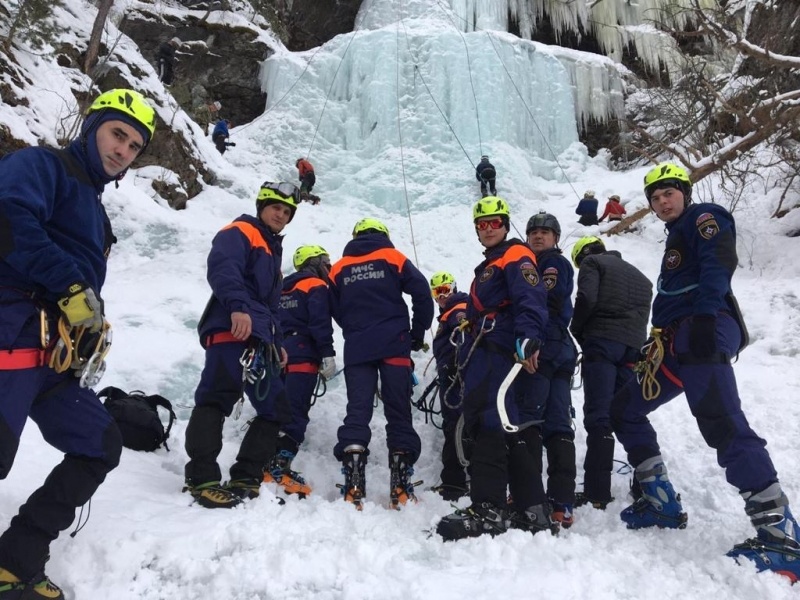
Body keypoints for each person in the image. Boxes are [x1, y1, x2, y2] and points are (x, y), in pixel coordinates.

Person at [0, 88, 156, 598]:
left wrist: (89, 317)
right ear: (92, 128)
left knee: (100, 442)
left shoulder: (96, 211)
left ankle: (15, 561)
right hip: (12, 326)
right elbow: (8, 219)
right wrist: (70, 286)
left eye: (134, 146)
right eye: (117, 134)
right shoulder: (43, 165)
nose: (123, 151)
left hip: (53, 355)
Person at [610, 162, 800, 579]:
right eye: (655, 198)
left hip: (705, 328)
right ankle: (661, 501)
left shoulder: (703, 217)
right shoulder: (676, 235)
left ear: (684, 192)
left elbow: (719, 261)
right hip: (678, 340)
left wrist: (705, 318)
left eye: (668, 194)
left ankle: (781, 537)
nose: (662, 202)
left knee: (721, 421)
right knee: (623, 408)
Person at [437, 197, 555, 541]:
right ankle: (532, 507)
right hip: (486, 350)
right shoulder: (493, 262)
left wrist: (530, 337)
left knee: (488, 422)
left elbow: (531, 296)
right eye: (482, 224)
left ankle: (488, 508)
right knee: (507, 427)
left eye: (494, 222)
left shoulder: (514, 256)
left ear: (505, 224)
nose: (488, 228)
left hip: (498, 351)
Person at [183, 181, 299, 509]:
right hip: (232, 330)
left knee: (276, 409)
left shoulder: (270, 247)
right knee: (216, 399)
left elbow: (270, 305)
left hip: (258, 339)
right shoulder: (241, 231)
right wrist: (237, 306)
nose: (281, 214)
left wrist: (276, 341)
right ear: (262, 207)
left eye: (287, 211)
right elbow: (224, 269)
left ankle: (245, 475)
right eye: (276, 207)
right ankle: (202, 478)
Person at [328, 218, 434, 510]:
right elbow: (423, 293)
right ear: (383, 235)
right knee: (398, 411)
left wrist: (354, 328)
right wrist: (417, 332)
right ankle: (400, 486)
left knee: (357, 410)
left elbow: (335, 308)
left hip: (358, 349)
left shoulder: (338, 268)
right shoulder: (393, 257)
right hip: (394, 345)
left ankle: (353, 485)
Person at [569, 236, 652, 510]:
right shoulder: (640, 276)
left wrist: (577, 329)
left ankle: (597, 492)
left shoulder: (593, 264)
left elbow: (586, 298)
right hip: (632, 349)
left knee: (599, 416)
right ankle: (647, 485)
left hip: (602, 344)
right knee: (629, 415)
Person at [514, 211, 578, 528]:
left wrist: (531, 340)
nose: (538, 236)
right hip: (561, 350)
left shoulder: (550, 264)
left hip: (544, 346)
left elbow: (546, 300)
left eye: (545, 232)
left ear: (556, 238)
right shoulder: (545, 264)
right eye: (534, 232)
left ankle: (530, 496)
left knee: (531, 419)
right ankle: (562, 501)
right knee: (558, 422)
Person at [265, 245, 337, 498]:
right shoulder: (314, 285)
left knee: (278, 409)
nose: (329, 267)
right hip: (303, 353)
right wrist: (327, 352)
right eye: (326, 261)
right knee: (296, 411)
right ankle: (279, 468)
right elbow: (319, 322)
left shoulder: (282, 288)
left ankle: (266, 460)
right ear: (313, 263)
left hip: (278, 354)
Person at [429, 271, 470, 501]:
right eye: (437, 292)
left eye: (445, 290)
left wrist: (456, 366)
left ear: (453, 288)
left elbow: (464, 333)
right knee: (457, 426)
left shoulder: (457, 309)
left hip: (456, 377)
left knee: (455, 426)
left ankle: (454, 483)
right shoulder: (450, 311)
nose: (442, 295)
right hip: (453, 375)